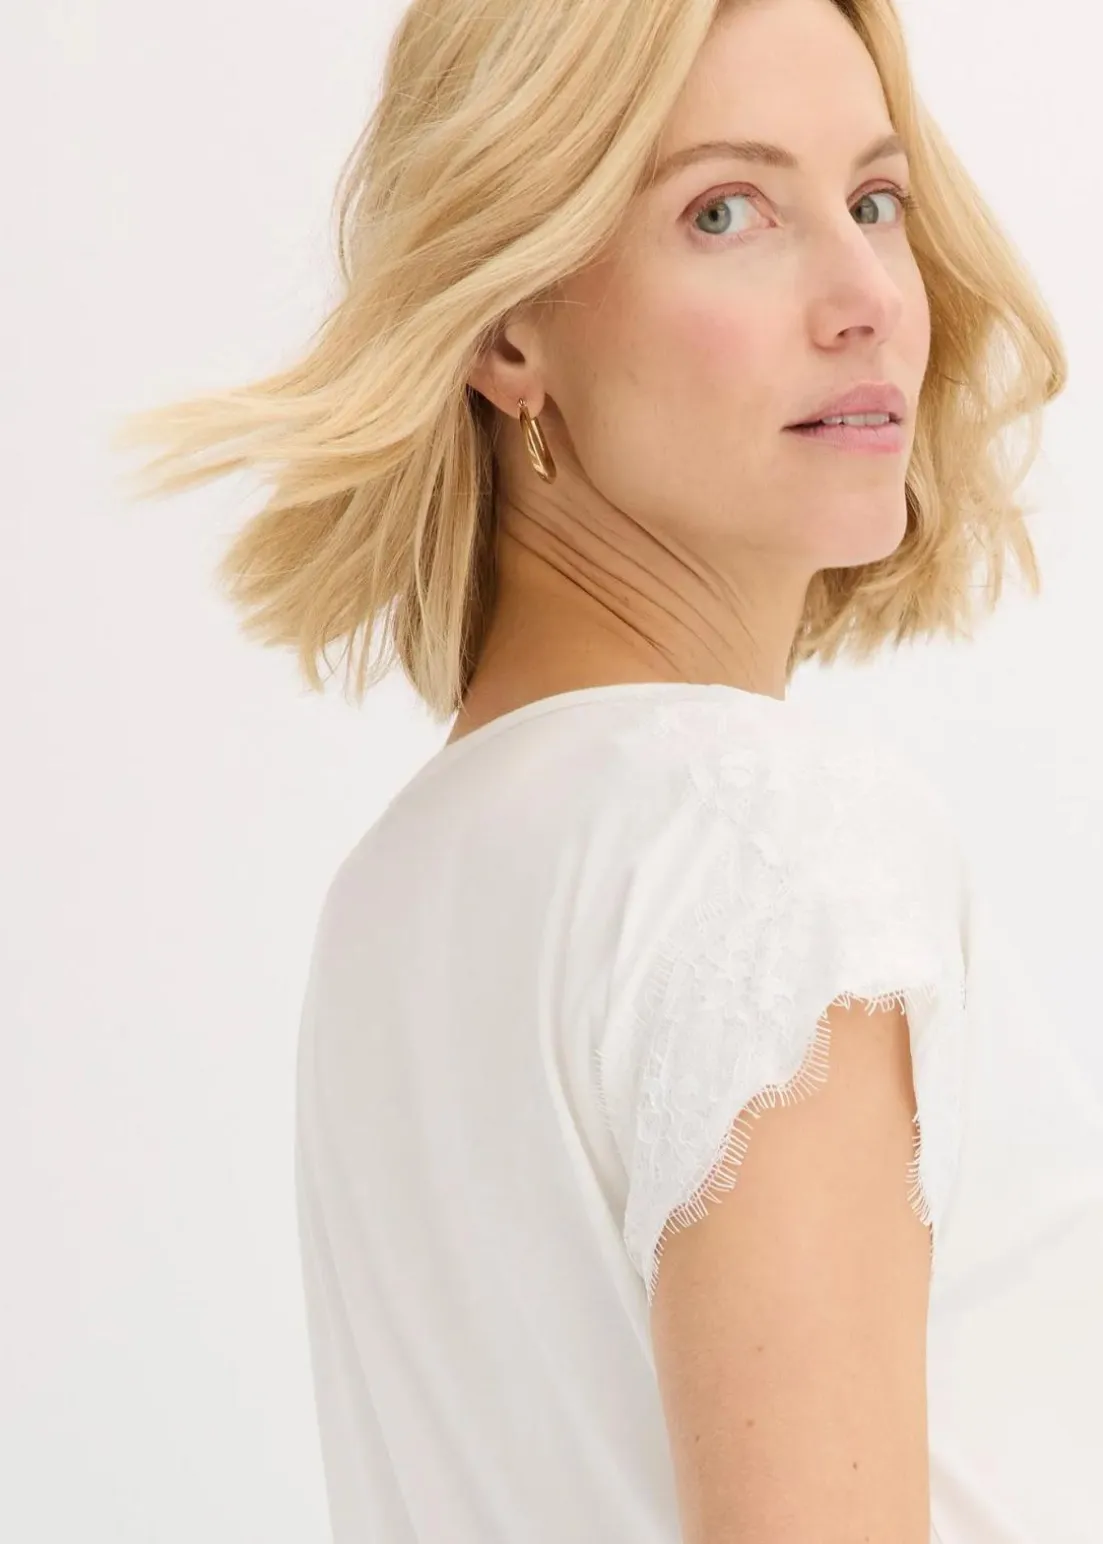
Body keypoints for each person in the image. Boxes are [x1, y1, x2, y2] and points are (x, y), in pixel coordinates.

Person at [114, 0, 1103, 1538]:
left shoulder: (406, 881)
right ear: (508, 326)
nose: (864, 298)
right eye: (725, 212)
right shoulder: (768, 833)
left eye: (874, 200)